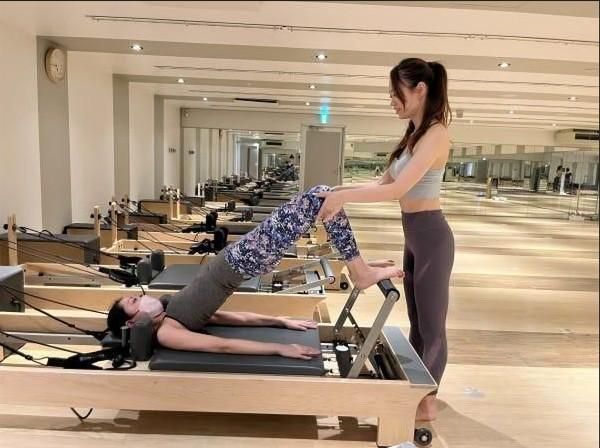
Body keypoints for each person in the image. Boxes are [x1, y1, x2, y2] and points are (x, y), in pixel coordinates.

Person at [107, 185, 403, 361]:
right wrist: (278, 349)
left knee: (324, 196)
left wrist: (280, 321)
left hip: (239, 257)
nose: (140, 297)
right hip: (244, 260)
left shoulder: (171, 310)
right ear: (133, 322)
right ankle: (360, 271)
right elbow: (221, 345)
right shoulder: (169, 333)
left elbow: (229, 318)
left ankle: (360, 268)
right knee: (319, 198)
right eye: (133, 302)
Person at [315, 58, 454, 421]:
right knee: (416, 321)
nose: (392, 100)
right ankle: (415, 391)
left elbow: (396, 190)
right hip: (415, 235)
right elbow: (381, 183)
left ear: (419, 90)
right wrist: (335, 191)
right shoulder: (414, 136)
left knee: (432, 327)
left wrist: (343, 198)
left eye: (396, 93)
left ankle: (426, 401)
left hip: (432, 237)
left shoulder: (436, 134)